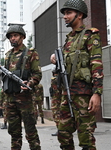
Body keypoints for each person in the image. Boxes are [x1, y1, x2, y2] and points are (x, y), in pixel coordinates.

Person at [50, 0, 104, 149]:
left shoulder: (90, 35)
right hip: (67, 94)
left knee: (86, 138)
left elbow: (96, 65)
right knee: (63, 135)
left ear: (79, 15)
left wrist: (97, 93)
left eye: (68, 13)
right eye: (64, 14)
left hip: (83, 95)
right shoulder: (69, 39)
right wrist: (55, 60)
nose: (65, 17)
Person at [0, 24, 42, 150]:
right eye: (10, 36)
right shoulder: (8, 55)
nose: (12, 39)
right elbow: (5, 76)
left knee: (31, 132)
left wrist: (30, 83)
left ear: (22, 37)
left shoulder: (30, 53)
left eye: (15, 36)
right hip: (10, 99)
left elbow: (37, 74)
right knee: (14, 133)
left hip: (25, 99)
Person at [49, 66, 62, 136]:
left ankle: (60, 130)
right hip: (61, 98)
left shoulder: (54, 79)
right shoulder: (62, 78)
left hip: (56, 99)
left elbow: (54, 90)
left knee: (56, 114)